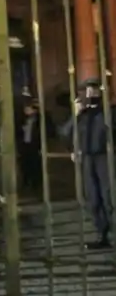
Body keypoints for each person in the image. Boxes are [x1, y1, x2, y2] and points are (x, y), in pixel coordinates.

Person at [61, 79, 115, 250]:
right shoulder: (82, 114)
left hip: (105, 157)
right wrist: (75, 114)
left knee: (109, 196)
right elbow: (65, 132)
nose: (90, 94)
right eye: (86, 90)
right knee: (93, 197)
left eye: (93, 90)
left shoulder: (109, 111)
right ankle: (102, 234)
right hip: (87, 158)